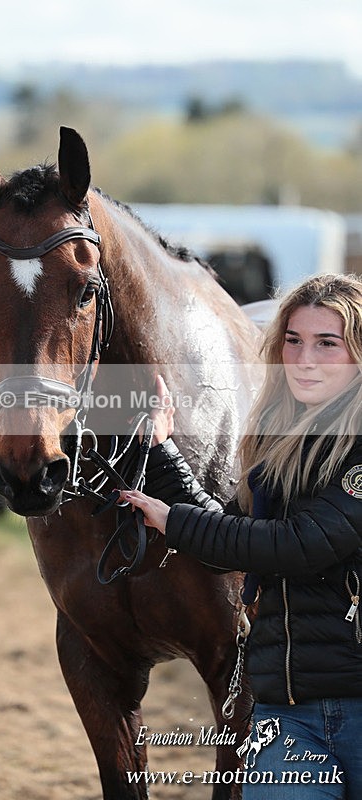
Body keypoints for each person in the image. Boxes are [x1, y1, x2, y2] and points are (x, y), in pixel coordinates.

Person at [120, 273, 362, 798]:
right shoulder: (277, 448)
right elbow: (229, 539)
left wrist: (172, 520)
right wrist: (163, 453)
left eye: (328, 343)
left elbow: (298, 545)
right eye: (292, 341)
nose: (304, 359)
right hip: (283, 713)